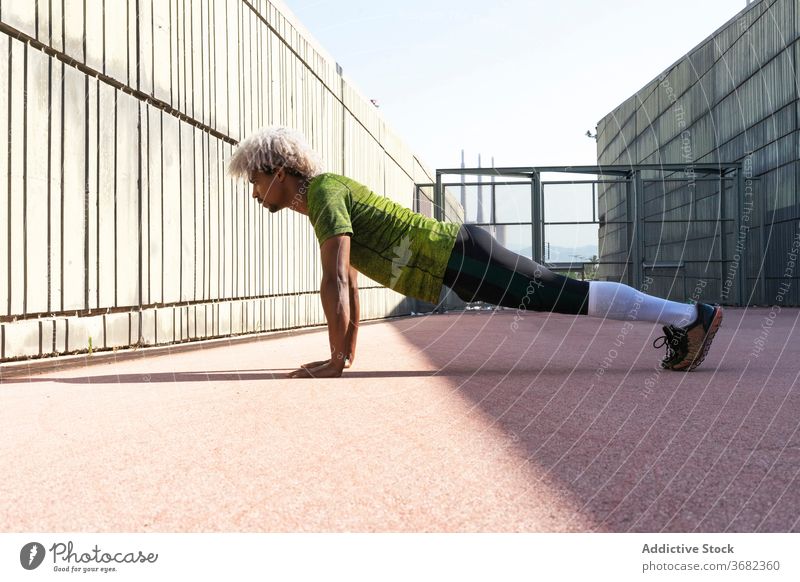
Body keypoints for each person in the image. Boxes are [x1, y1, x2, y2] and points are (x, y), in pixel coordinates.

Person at [227, 126, 723, 379]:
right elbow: (350, 280)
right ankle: (689, 317)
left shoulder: (322, 193)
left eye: (254, 181)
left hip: (460, 257)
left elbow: (335, 279)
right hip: (460, 261)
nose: (253, 193)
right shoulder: (320, 202)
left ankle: (690, 316)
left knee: (569, 295)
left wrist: (335, 360)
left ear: (277, 172)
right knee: (566, 294)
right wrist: (346, 354)